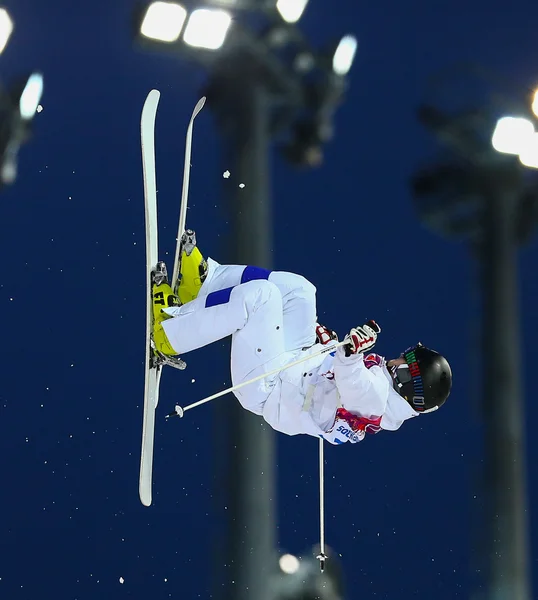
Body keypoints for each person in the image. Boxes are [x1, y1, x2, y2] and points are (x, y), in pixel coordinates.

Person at [151, 231, 452, 445]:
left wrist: (351, 352)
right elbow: (330, 383)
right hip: (290, 365)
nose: (398, 357)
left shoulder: (376, 402)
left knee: (262, 297)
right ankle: (204, 288)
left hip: (266, 387)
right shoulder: (377, 386)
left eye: (406, 360)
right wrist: (325, 346)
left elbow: (353, 383)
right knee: (300, 291)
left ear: (406, 379)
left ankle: (168, 336)